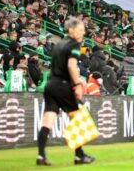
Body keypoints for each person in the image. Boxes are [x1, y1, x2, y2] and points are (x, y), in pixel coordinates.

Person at [36, 18, 95, 166]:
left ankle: (41, 155)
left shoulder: (58, 44)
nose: (83, 33)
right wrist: (77, 84)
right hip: (63, 85)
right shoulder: (74, 44)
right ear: (71, 30)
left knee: (47, 122)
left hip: (50, 85)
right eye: (80, 30)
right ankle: (79, 156)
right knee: (77, 119)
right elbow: (71, 66)